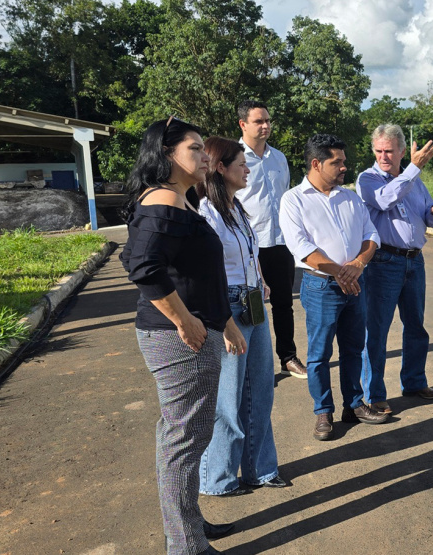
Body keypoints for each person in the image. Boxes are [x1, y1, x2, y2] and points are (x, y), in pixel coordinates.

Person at [120, 117, 246, 555]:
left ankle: (188, 524)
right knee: (182, 442)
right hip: (178, 339)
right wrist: (183, 319)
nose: (203, 156)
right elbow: (141, 266)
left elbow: (193, 272)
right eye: (194, 148)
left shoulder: (180, 200)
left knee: (189, 438)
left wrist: (223, 321)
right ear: (166, 154)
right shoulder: (162, 200)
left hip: (195, 331)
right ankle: (185, 545)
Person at [278, 134, 390, 441]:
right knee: (319, 353)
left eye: (343, 161)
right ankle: (323, 411)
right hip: (320, 286)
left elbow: (371, 234)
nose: (344, 167)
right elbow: (299, 246)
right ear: (316, 163)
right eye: (336, 162)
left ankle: (353, 404)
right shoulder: (293, 200)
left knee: (355, 347)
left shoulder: (350, 197)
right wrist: (340, 272)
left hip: (355, 283)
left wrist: (358, 265)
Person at [195, 137, 288, 497]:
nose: (247, 169)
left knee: (261, 390)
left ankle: (260, 470)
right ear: (221, 168)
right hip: (227, 307)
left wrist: (261, 282)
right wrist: (225, 321)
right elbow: (208, 273)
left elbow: (251, 254)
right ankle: (217, 478)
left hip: (251, 302)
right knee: (228, 399)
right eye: (241, 164)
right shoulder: (207, 213)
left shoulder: (236, 209)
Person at [356, 123, 433, 415]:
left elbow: (425, 216)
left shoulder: (415, 182)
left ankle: (413, 382)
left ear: (400, 151)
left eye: (389, 151)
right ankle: (374, 395)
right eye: (379, 150)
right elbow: (385, 200)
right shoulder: (368, 178)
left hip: (414, 259)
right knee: (377, 331)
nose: (384, 156)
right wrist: (413, 168)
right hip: (383, 261)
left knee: (416, 326)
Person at [234, 100, 306, 379]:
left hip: (280, 242)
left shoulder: (279, 158)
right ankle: (254, 367)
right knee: (250, 305)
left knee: (284, 303)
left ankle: (287, 357)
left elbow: (286, 198)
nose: (265, 126)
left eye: (267, 120)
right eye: (258, 121)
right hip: (249, 245)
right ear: (243, 124)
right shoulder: (234, 158)